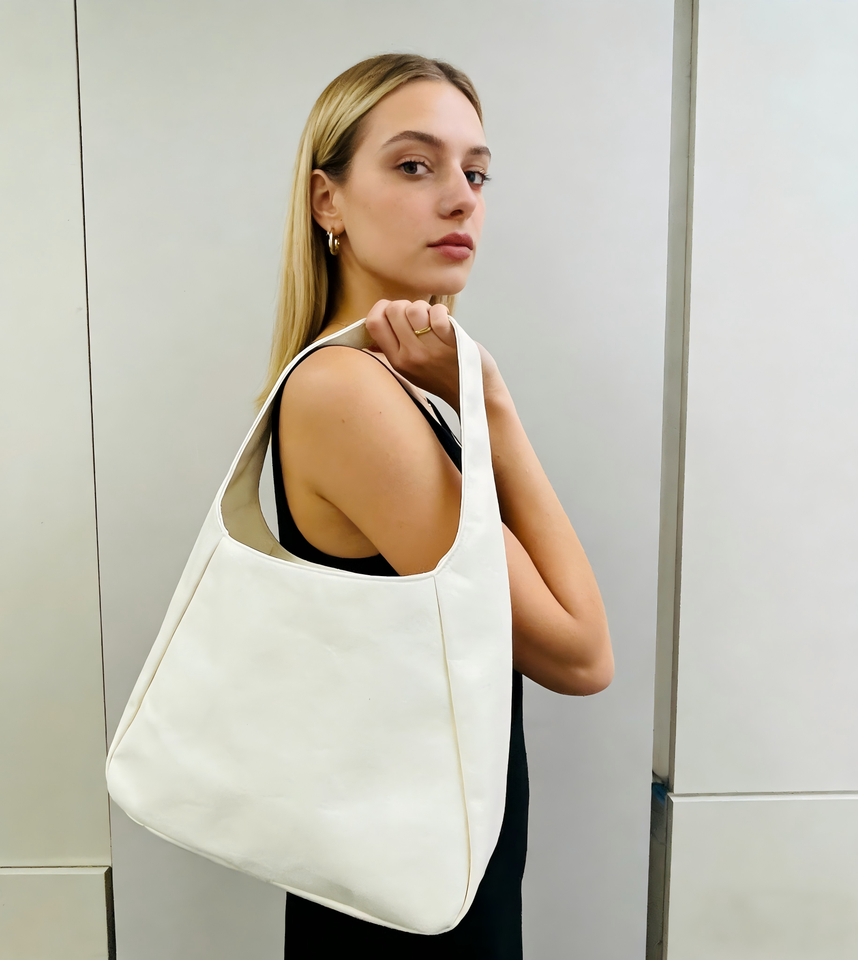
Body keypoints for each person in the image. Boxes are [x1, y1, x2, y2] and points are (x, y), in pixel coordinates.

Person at [262, 53, 614, 960]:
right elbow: (581, 654)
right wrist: (492, 403)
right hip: (409, 912)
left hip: (419, 878)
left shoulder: (394, 390)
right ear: (328, 201)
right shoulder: (350, 394)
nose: (461, 199)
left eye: (477, 172)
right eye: (415, 166)